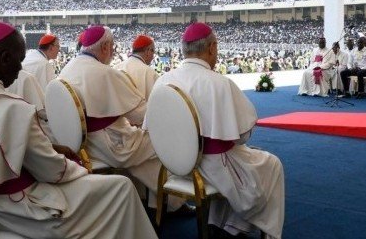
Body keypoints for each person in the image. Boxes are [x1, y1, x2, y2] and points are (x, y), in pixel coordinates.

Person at [0, 22, 158, 239]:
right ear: (5, 59)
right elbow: (52, 170)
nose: (20, 69)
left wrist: (52, 148)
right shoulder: (11, 106)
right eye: (19, 61)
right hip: (22, 212)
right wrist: (81, 167)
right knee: (121, 188)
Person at [155, 22, 285, 239]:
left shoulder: (163, 79)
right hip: (212, 167)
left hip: (171, 165)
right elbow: (242, 135)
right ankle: (249, 229)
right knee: (271, 163)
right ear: (212, 48)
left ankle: (224, 224)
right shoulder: (219, 83)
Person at [57, 25, 182, 209]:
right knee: (162, 140)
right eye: (113, 47)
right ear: (106, 46)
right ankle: (169, 201)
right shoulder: (105, 72)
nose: (113, 53)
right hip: (111, 145)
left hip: (82, 145)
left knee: (142, 153)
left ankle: (153, 199)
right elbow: (142, 112)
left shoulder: (68, 68)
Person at [116, 34, 159, 104]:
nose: (153, 56)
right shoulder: (150, 73)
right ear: (148, 51)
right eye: (153, 51)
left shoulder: (116, 67)